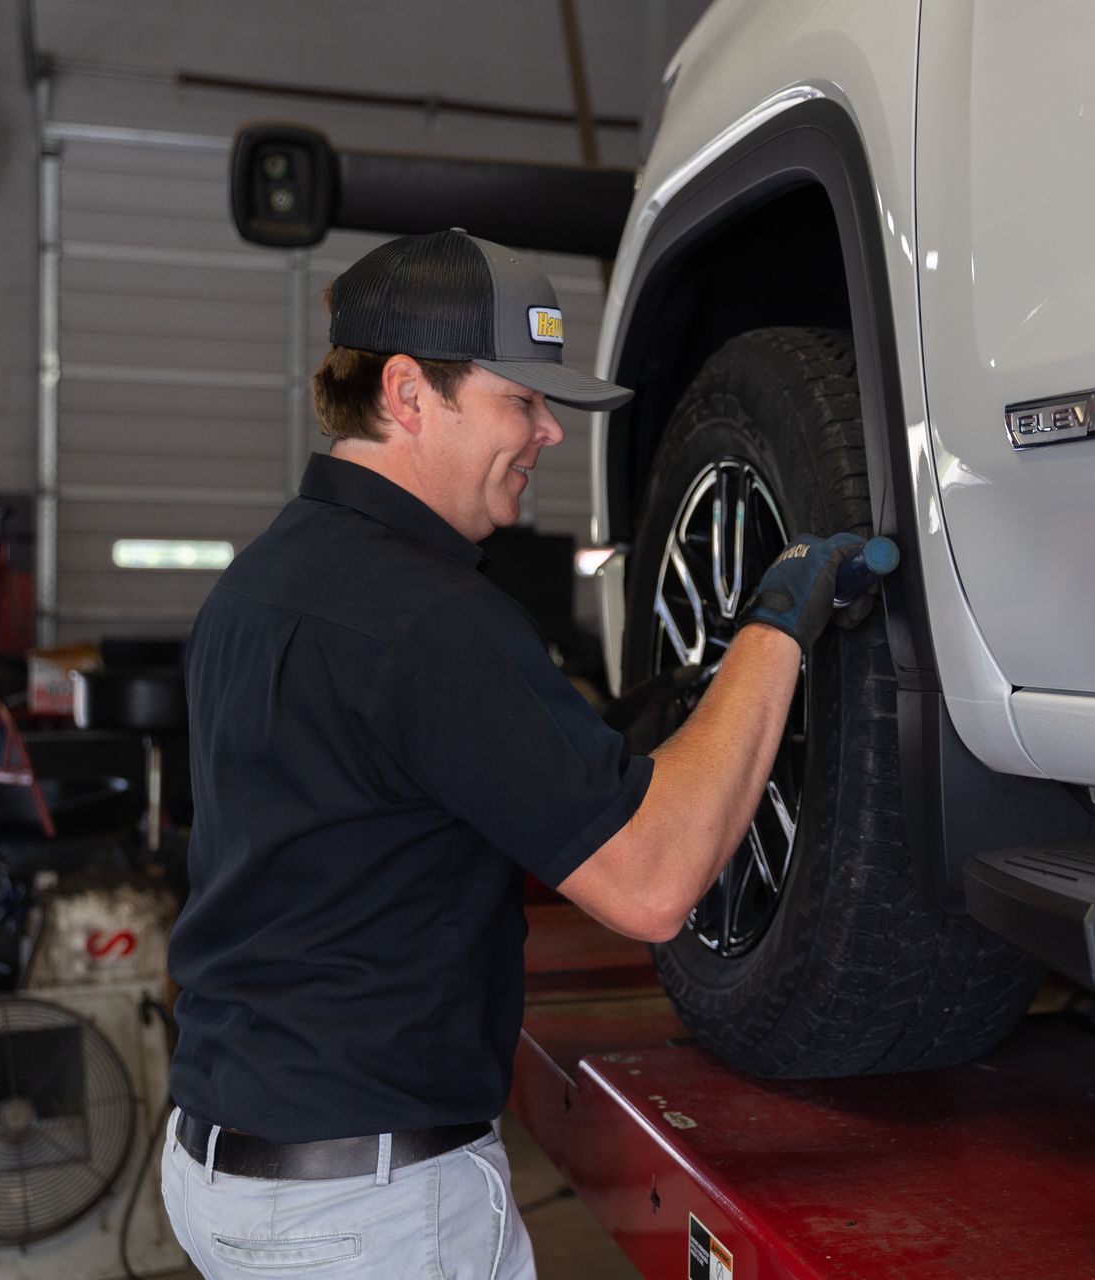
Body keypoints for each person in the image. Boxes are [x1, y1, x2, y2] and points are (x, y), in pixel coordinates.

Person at [158, 229, 871, 1278]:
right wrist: (774, 625)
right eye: (520, 400)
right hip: (365, 1215)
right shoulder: (434, 620)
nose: (547, 432)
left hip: (229, 1167)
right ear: (407, 393)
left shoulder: (257, 583)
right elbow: (655, 884)